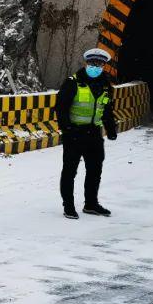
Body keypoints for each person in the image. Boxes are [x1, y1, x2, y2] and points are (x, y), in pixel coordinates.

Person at [56, 48, 118, 219]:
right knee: (69, 171)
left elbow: (106, 109)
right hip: (74, 134)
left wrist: (111, 129)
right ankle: (68, 205)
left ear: (104, 66)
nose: (95, 67)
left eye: (99, 64)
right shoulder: (72, 82)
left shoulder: (105, 85)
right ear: (86, 63)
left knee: (95, 170)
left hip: (94, 135)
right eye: (92, 63)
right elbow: (61, 108)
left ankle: (91, 204)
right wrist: (67, 129)